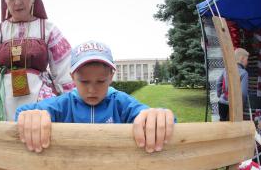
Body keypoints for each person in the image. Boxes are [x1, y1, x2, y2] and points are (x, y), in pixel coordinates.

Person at [16, 40, 175, 153]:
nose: (92, 89)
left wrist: (156, 115)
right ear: (72, 77)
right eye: (84, 81)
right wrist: (32, 116)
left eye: (100, 81)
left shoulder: (121, 102)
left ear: (111, 76)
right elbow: (21, 113)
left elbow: (153, 118)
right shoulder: (63, 104)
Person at [216, 48, 249, 121]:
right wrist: (242, 106)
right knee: (233, 128)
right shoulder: (244, 73)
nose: (248, 62)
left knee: (223, 125)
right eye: (247, 59)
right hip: (234, 106)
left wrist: (219, 95)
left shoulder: (226, 69)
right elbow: (243, 93)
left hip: (222, 103)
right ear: (242, 59)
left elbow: (218, 83)